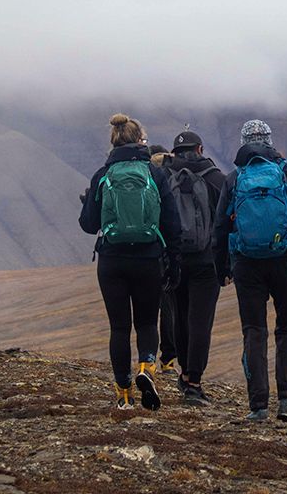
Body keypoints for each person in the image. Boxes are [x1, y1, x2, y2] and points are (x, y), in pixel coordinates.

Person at [214, 119, 287, 422]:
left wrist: (223, 270)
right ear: (270, 141)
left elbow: (218, 228)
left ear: (243, 142)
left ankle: (258, 407)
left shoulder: (234, 178)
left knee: (254, 332)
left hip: (246, 264)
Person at [79, 114, 181, 411]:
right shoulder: (155, 173)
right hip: (148, 258)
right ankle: (146, 369)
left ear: (114, 140)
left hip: (112, 260)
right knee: (147, 322)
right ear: (141, 141)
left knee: (119, 328)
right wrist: (173, 263)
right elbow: (172, 223)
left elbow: (88, 224)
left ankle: (124, 394)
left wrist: (87, 202)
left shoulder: (102, 174)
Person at [163, 129, 227, 406]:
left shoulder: (163, 177)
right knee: (201, 321)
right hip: (206, 261)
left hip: (175, 259)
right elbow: (226, 224)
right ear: (200, 149)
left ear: (174, 152)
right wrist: (227, 264)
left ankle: (184, 372)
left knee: (180, 316)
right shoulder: (216, 179)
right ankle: (194, 382)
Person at [148, 143, 179, 375]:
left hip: (148, 250)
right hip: (171, 250)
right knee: (168, 309)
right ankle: (168, 360)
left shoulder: (147, 176)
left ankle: (146, 359)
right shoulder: (175, 174)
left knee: (147, 308)